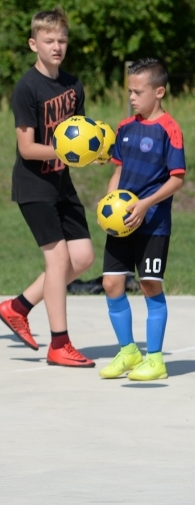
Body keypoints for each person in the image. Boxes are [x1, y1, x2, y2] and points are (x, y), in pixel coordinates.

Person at [0, 8, 95, 367]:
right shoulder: (27, 88)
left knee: (82, 258)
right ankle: (59, 344)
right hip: (34, 185)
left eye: (62, 40)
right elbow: (27, 148)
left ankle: (17, 307)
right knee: (58, 261)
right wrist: (69, 151)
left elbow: (82, 136)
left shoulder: (73, 85)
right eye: (49, 40)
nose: (57, 46)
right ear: (33, 43)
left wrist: (94, 151)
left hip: (61, 183)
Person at [98, 58, 185, 381]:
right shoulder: (124, 127)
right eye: (129, 91)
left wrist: (146, 204)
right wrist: (109, 204)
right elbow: (118, 170)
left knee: (149, 285)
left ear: (158, 91)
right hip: (121, 223)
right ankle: (128, 351)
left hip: (153, 224)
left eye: (138, 91)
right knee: (111, 283)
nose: (132, 97)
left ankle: (157, 359)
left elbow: (177, 178)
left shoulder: (169, 130)